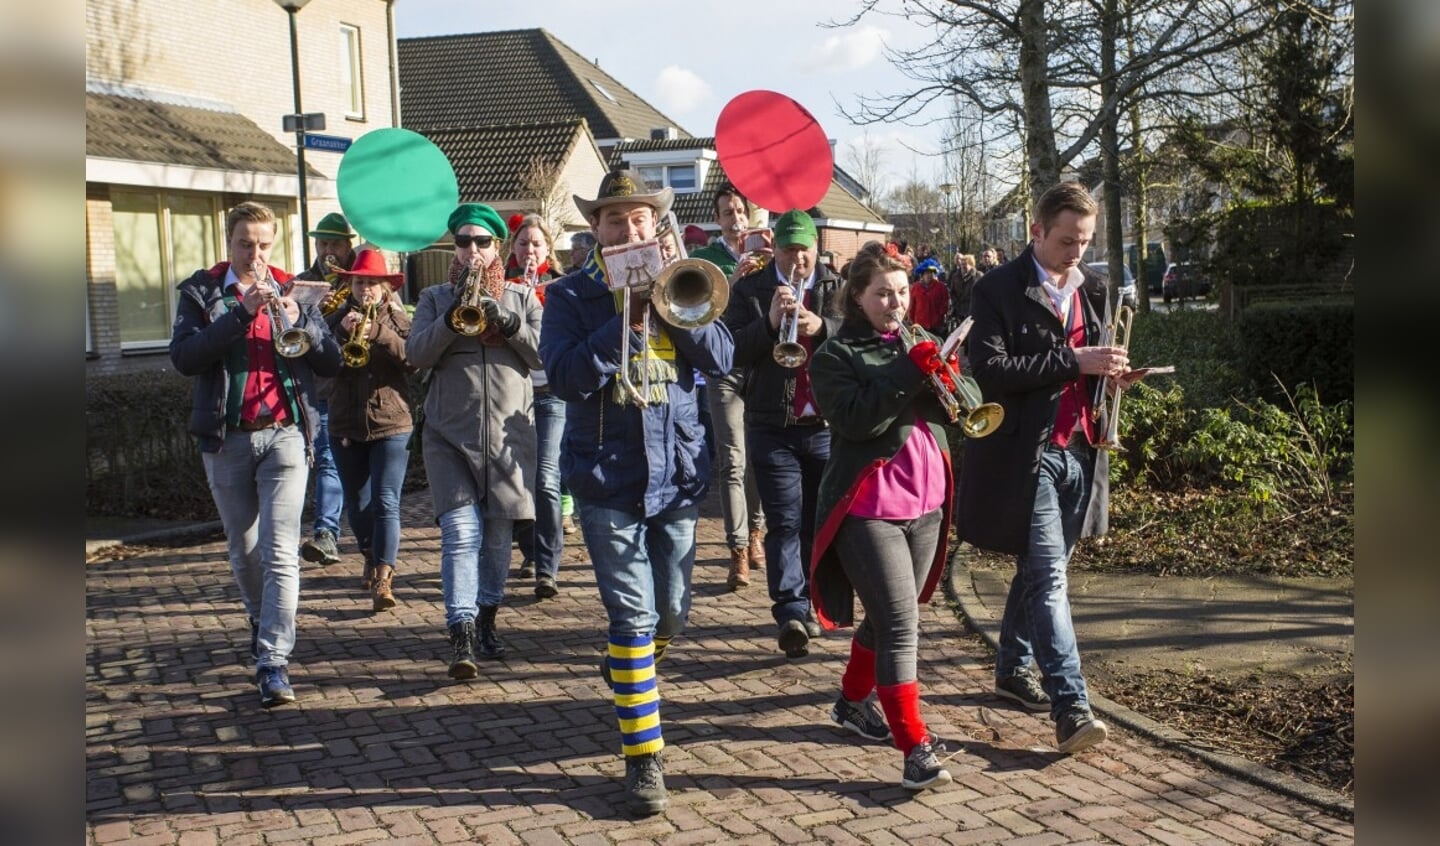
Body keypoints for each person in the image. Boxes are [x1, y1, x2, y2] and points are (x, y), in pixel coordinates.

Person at [540, 168, 734, 816]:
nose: (631, 229)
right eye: (616, 220)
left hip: (676, 477)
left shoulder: (684, 281)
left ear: (657, 225)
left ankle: (629, 668)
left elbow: (722, 359)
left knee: (671, 613)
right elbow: (565, 377)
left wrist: (678, 307)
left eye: (641, 219)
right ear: (596, 229)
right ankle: (644, 762)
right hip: (604, 479)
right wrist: (621, 322)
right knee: (633, 618)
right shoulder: (569, 296)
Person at [958, 181, 1149, 754]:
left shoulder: (1091, 289)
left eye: (1085, 242)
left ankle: (1012, 666)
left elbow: (1089, 360)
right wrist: (1074, 361)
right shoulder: (996, 287)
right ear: (1036, 232)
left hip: (1080, 449)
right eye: (1067, 240)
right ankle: (1071, 707)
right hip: (1028, 454)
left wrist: (1108, 373)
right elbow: (989, 370)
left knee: (1040, 572)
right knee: (1050, 580)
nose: (1077, 253)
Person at [169, 201, 342, 707]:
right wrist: (240, 315)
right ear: (229, 242)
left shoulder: (295, 289)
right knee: (245, 552)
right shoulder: (201, 291)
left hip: (286, 433)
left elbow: (330, 361)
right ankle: (258, 615)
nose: (255, 254)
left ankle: (273, 660)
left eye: (264, 244)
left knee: (281, 549)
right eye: (246, 244)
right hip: (228, 438)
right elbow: (184, 357)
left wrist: (303, 324)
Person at [808, 250, 960, 790]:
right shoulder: (835, 354)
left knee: (887, 617)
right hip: (869, 509)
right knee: (901, 625)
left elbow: (967, 408)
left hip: (927, 506)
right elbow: (853, 419)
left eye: (901, 292)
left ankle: (851, 704)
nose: (895, 303)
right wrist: (908, 369)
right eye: (882, 294)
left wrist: (949, 378)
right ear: (857, 297)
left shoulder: (917, 343)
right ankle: (914, 746)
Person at [406, 203, 542, 679]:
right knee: (462, 534)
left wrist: (505, 321)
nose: (473, 250)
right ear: (455, 249)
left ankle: (487, 616)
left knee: (499, 540)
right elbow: (415, 353)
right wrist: (449, 320)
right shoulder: (432, 298)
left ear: (497, 247)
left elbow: (542, 357)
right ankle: (460, 631)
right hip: (450, 437)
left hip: (509, 439)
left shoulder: (523, 299)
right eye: (464, 242)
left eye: (482, 242)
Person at [722, 208, 841, 658]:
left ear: (815, 247)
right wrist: (769, 324)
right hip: (771, 422)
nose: (798, 260)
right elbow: (730, 349)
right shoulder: (751, 288)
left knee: (817, 519)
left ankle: (811, 600)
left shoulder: (834, 286)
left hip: (825, 424)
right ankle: (790, 609)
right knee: (785, 519)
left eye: (804, 251)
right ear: (776, 247)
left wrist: (825, 327)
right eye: (789, 250)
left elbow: (863, 339)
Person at [322, 247, 413, 613]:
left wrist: (376, 332)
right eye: (360, 282)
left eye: (373, 283)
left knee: (386, 502)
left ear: (385, 287)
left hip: (392, 423)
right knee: (358, 506)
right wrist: (337, 336)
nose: (366, 290)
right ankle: (369, 553)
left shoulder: (399, 318)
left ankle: (384, 576)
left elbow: (413, 359)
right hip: (345, 422)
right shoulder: (334, 317)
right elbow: (319, 364)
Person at [688, 183, 768, 589]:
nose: (735, 218)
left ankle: (756, 533)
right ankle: (737, 550)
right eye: (727, 212)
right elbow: (697, 311)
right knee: (732, 461)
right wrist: (733, 280)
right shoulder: (704, 259)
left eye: (740, 210)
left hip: (762, 368)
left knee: (757, 457)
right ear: (717, 219)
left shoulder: (767, 253)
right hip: (723, 368)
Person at [506, 213, 565, 599]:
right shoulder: (504, 289)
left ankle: (547, 567)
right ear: (513, 248)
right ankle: (530, 548)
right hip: (514, 395)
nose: (530, 250)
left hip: (551, 395)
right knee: (513, 481)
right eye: (524, 243)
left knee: (545, 479)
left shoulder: (561, 287)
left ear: (548, 249)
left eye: (537, 244)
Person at [293, 212, 356, 567]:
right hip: (315, 388)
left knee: (337, 465)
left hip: (351, 387)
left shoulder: (361, 282)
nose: (327, 250)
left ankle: (338, 534)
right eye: (322, 243)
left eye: (334, 243)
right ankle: (325, 533)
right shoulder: (303, 284)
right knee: (324, 462)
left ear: (348, 246)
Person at [907, 257, 949, 335]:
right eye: (926, 273)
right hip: (920, 326)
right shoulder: (916, 287)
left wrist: (939, 315)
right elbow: (912, 305)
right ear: (922, 275)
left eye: (931, 273)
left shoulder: (941, 287)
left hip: (936, 326)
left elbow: (945, 304)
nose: (929, 275)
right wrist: (911, 319)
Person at [946, 252, 978, 328]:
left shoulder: (978, 276)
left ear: (971, 265)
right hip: (959, 311)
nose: (963, 266)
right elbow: (952, 292)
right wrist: (955, 304)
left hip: (972, 310)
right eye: (962, 264)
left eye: (965, 264)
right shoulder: (955, 276)